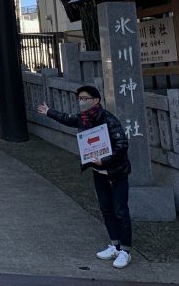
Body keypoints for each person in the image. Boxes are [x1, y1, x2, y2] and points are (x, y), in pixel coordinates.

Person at [37, 85, 133, 269]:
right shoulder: (83, 119)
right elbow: (66, 118)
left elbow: (122, 144)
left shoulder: (108, 119)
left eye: (85, 98)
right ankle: (115, 245)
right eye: (79, 99)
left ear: (96, 100)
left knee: (120, 211)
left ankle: (126, 251)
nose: (81, 102)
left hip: (116, 172)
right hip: (99, 173)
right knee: (106, 209)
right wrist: (49, 111)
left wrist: (105, 159)